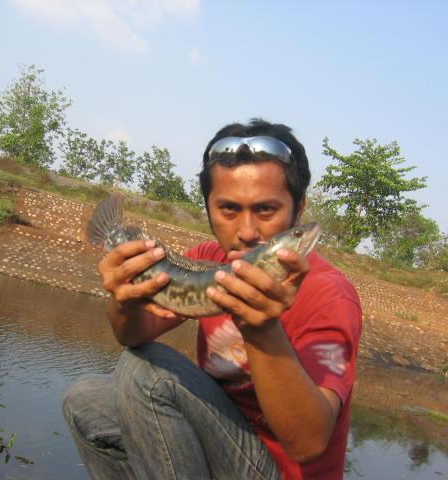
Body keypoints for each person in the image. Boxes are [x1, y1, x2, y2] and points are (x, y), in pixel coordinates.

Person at [62, 119, 362, 480]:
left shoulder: (329, 293)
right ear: (208, 209)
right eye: (229, 209)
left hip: (280, 471)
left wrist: (262, 329)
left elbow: (309, 444)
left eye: (266, 210)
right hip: (222, 447)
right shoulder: (210, 259)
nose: (247, 232)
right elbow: (133, 335)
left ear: (298, 208)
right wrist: (126, 299)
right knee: (86, 400)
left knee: (147, 374)